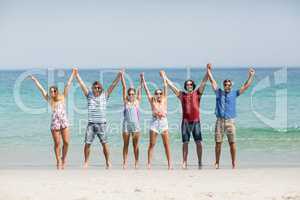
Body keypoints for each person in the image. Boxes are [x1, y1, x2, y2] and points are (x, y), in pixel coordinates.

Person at [206, 63, 255, 169]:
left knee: (232, 143)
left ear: (231, 86)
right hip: (219, 121)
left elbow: (246, 86)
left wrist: (251, 76)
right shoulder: (219, 92)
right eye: (226, 85)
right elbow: (212, 81)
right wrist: (208, 70)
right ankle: (217, 162)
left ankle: (233, 163)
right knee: (218, 143)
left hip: (230, 122)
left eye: (229, 85)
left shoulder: (234, 93)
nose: (227, 86)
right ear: (223, 86)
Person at [160, 68, 208, 169]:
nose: (189, 86)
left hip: (196, 122)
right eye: (187, 84)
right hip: (185, 123)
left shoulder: (197, 93)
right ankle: (184, 162)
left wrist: (208, 71)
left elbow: (204, 82)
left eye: (191, 84)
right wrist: (164, 77)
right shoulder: (182, 95)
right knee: (185, 143)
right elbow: (172, 86)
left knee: (198, 143)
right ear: (185, 86)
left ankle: (199, 161)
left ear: (193, 86)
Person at [74, 68, 122, 169]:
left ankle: (108, 162)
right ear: (92, 88)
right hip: (91, 124)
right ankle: (86, 162)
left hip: (101, 124)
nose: (97, 89)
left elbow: (113, 85)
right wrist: (76, 75)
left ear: (101, 88)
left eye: (99, 88)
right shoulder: (89, 95)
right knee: (87, 143)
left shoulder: (105, 95)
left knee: (105, 143)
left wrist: (119, 76)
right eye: (95, 88)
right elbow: (82, 85)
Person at [29, 69, 75, 170]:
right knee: (57, 143)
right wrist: (35, 80)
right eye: (51, 91)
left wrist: (73, 73)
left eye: (54, 91)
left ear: (57, 91)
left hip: (64, 122)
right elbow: (41, 89)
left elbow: (68, 84)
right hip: (55, 123)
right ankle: (58, 160)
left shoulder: (63, 97)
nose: (52, 92)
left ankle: (64, 159)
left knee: (66, 142)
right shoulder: (49, 99)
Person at [141, 72, 173, 170]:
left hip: (163, 123)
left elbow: (165, 86)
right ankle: (149, 164)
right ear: (155, 95)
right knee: (151, 144)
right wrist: (143, 79)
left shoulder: (164, 99)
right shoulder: (152, 100)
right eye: (157, 93)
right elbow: (146, 90)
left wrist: (163, 76)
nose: (159, 95)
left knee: (166, 145)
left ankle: (169, 164)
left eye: (160, 93)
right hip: (154, 123)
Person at [120, 70, 142, 169]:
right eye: (130, 94)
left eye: (133, 94)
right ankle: (125, 162)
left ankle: (136, 162)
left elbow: (140, 88)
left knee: (135, 145)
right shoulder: (125, 101)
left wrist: (142, 79)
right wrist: (122, 75)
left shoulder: (137, 101)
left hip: (136, 125)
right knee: (126, 144)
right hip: (126, 125)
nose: (131, 95)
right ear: (128, 95)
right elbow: (124, 87)